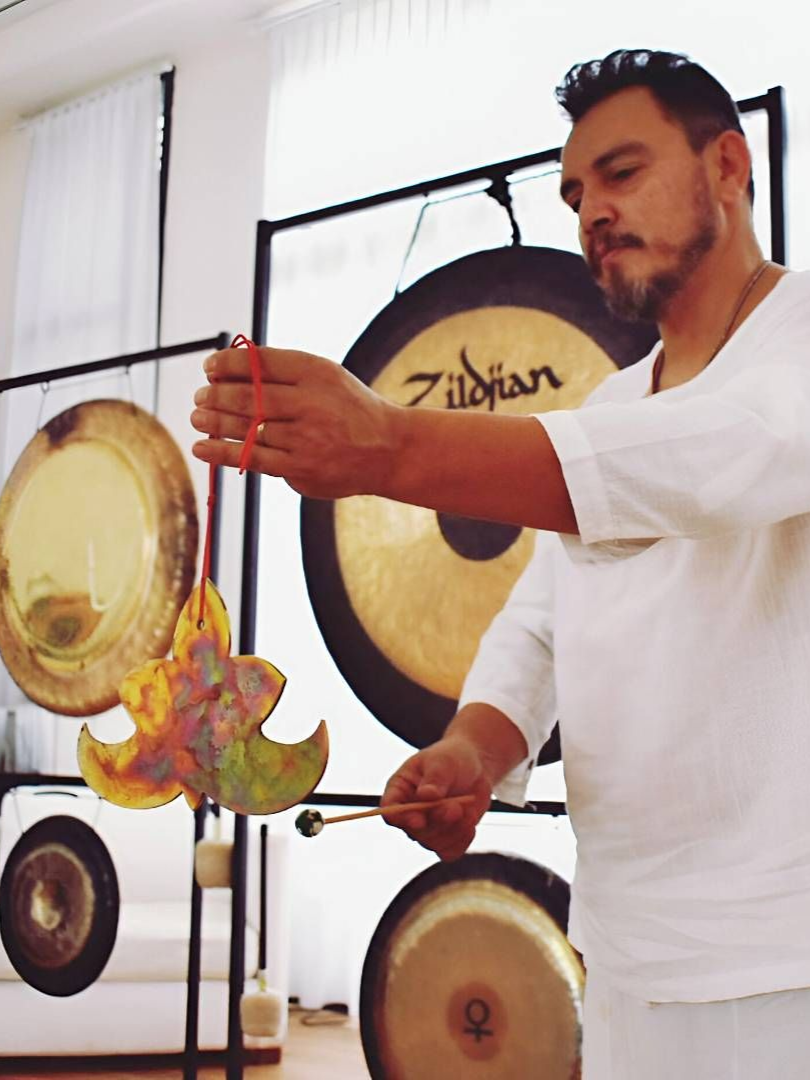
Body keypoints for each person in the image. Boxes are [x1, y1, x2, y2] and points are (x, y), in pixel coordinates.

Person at [191, 48, 810, 1080]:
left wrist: (390, 446)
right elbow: (542, 621)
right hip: (620, 946)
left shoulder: (798, 344)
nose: (593, 212)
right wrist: (473, 752)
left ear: (730, 167)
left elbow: (711, 461)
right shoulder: (612, 403)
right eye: (574, 195)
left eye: (622, 172)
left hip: (783, 958)